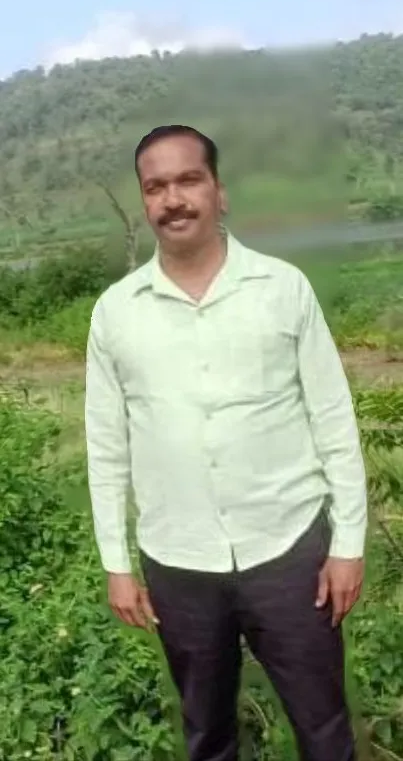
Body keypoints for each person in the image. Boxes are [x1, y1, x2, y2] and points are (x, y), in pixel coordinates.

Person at [85, 124, 367, 761]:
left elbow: (333, 419)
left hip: (290, 553)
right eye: (156, 187)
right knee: (207, 736)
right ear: (144, 201)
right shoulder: (117, 311)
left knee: (324, 732)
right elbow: (106, 448)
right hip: (177, 560)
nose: (173, 199)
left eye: (188, 179)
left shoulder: (281, 288)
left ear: (220, 191)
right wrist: (116, 563)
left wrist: (347, 544)